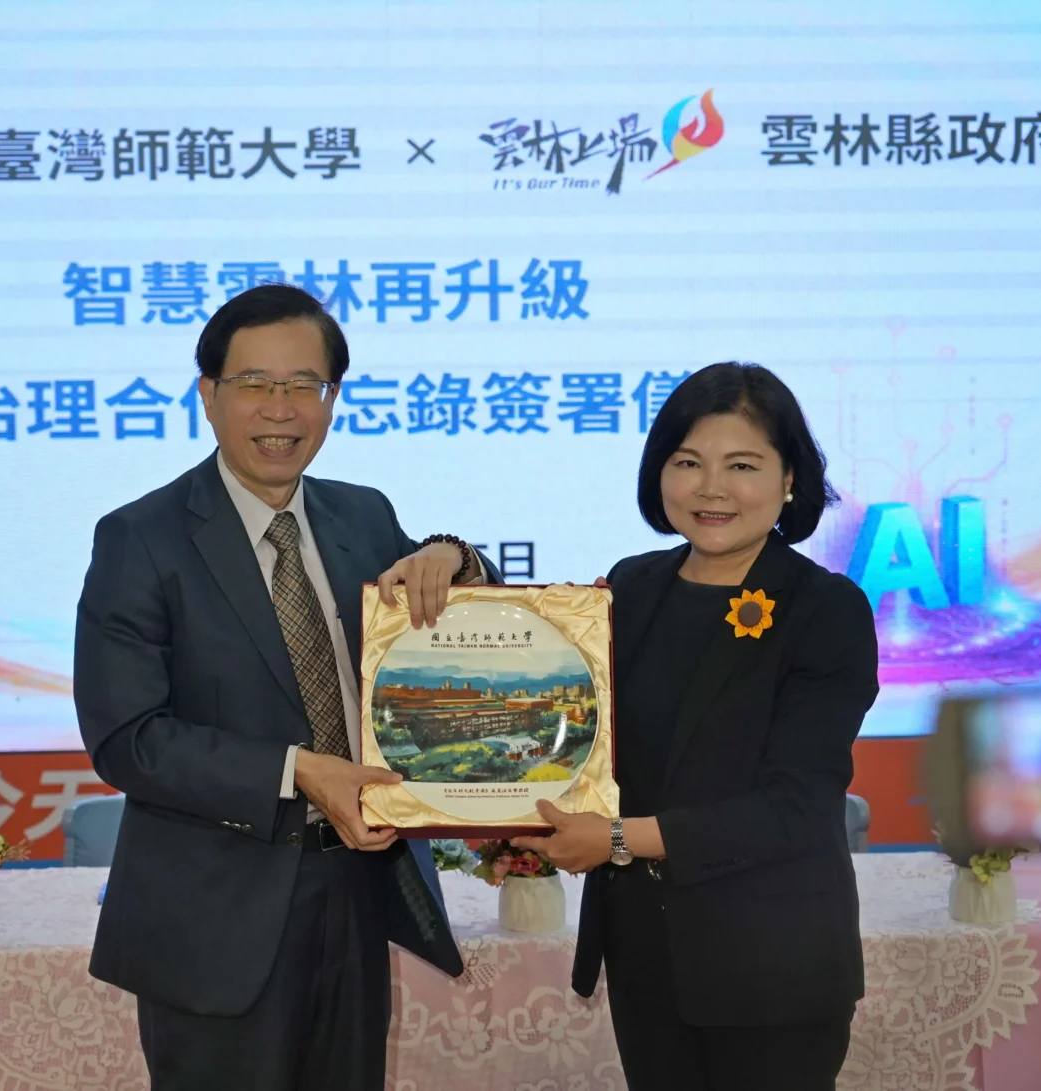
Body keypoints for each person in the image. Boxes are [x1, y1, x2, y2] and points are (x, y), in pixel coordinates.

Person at [73, 284, 499, 1091]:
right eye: (255, 383)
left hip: (355, 893)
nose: (281, 408)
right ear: (208, 394)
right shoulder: (141, 538)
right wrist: (300, 771)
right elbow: (128, 738)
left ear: (332, 398)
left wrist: (456, 556)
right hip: (214, 916)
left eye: (306, 383)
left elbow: (454, 612)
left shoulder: (361, 515)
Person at [514, 361, 879, 1091]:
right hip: (645, 953)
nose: (711, 488)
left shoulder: (824, 609)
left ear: (788, 480)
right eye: (687, 463)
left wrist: (617, 839)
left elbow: (795, 807)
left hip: (773, 966)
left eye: (741, 465)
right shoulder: (632, 585)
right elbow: (576, 730)